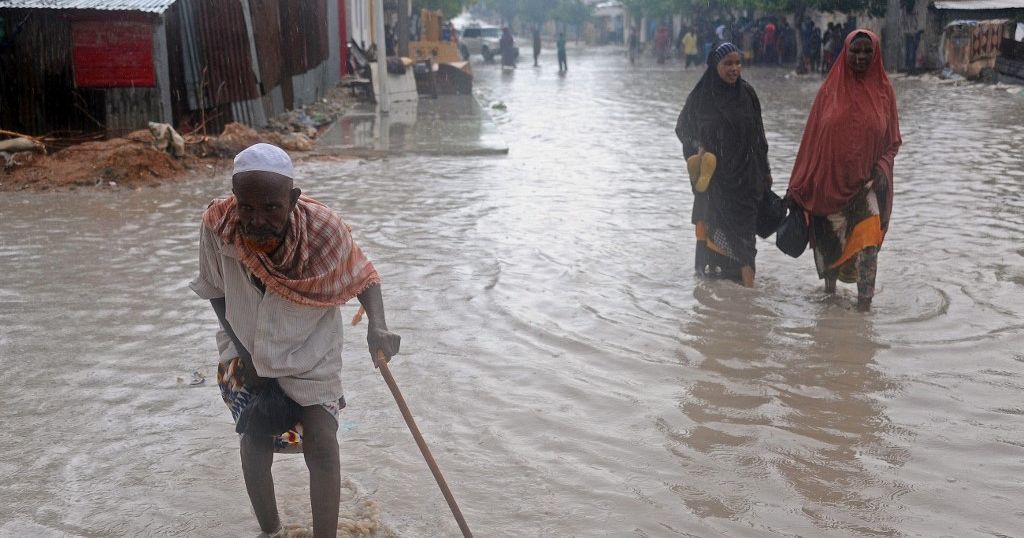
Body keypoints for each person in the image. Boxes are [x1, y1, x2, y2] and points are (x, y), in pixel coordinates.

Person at [190, 143, 402, 536]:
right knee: (254, 436)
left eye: (271, 208)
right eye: (247, 207)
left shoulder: (325, 230)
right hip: (243, 339)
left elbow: (364, 276)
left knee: (322, 438)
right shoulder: (218, 224)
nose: (256, 220)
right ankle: (270, 531)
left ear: (292, 199)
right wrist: (246, 356)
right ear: (235, 200)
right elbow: (215, 291)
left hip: (310, 347)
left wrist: (378, 326)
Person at [786, 30, 902, 311]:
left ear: (875, 55)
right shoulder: (828, 91)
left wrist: (881, 167)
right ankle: (830, 302)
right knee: (830, 253)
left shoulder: (885, 92)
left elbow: (892, 142)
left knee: (868, 245)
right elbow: (811, 141)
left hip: (866, 187)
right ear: (845, 53)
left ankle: (864, 310)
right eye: (856, 51)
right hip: (828, 186)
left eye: (867, 52)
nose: (861, 57)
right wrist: (797, 185)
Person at [675, 42, 773, 287]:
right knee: (713, 234)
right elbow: (683, 129)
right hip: (716, 180)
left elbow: (759, 137)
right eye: (727, 63)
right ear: (714, 66)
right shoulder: (701, 97)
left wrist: (766, 172)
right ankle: (710, 298)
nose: (734, 68)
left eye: (737, 63)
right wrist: (698, 147)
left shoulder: (748, 94)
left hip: (746, 180)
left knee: (746, 243)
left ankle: (749, 299)